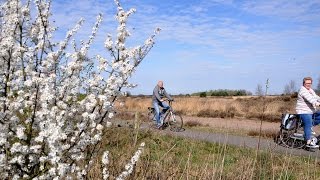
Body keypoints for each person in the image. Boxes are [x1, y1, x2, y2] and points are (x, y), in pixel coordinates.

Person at [296, 77, 320, 148]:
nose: (308, 84)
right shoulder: (302, 90)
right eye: (307, 83)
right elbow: (311, 99)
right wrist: (317, 103)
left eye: (309, 83)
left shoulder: (310, 90)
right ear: (304, 83)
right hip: (303, 111)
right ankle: (308, 142)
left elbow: (316, 97)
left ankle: (308, 127)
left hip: (311, 111)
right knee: (308, 123)